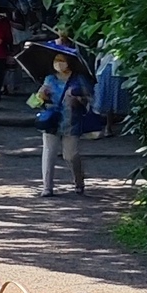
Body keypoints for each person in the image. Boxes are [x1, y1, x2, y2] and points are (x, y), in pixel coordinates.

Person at [34, 51, 94, 196]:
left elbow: (91, 100)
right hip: (51, 122)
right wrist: (40, 96)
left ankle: (79, 181)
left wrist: (78, 100)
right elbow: (34, 103)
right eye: (56, 60)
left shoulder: (79, 79)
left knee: (70, 155)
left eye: (62, 60)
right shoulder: (49, 79)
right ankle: (47, 187)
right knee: (48, 153)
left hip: (71, 122)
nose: (59, 64)